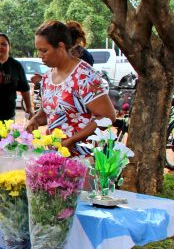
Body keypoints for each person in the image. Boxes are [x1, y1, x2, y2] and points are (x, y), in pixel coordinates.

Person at [25, 20, 116, 151]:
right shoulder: (47, 78)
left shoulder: (84, 76)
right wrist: (36, 120)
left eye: (44, 50)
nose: (40, 56)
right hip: (55, 157)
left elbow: (107, 116)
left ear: (61, 47)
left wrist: (72, 140)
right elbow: (50, 112)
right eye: (38, 50)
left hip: (82, 158)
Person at [0, 33, 33, 122]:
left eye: (4, 44)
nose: (0, 47)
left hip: (8, 115)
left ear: (10, 46)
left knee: (7, 136)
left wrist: (29, 108)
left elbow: (24, 88)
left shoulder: (16, 65)